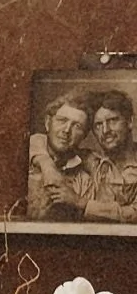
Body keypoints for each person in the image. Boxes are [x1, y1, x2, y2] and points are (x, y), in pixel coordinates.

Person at [76, 90, 137, 221]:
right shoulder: (91, 161)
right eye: (98, 125)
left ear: (130, 121)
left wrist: (83, 203)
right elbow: (41, 141)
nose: (105, 130)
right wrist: (45, 164)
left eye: (113, 120)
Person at [28, 94, 91, 219]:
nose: (67, 130)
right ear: (47, 123)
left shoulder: (85, 181)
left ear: (84, 136)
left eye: (77, 126)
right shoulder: (23, 154)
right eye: (62, 120)